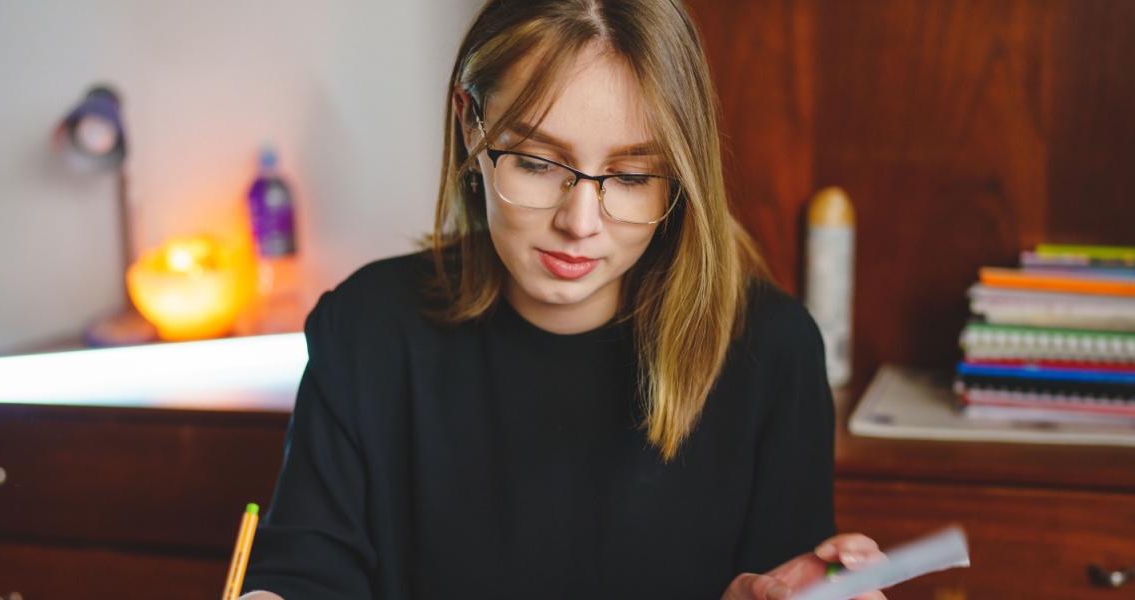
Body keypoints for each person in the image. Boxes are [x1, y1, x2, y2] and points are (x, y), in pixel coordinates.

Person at [240, 0, 887, 598]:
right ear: (472, 123)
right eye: (538, 162)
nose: (580, 222)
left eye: (632, 176)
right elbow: (304, 574)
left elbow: (787, 580)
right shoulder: (367, 329)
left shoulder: (770, 352)